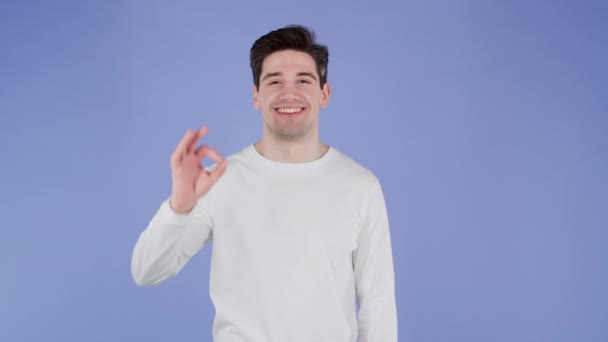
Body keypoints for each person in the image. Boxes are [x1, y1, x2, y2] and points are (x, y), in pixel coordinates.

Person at [131, 25, 398, 342]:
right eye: (274, 81)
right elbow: (146, 271)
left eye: (303, 80)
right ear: (256, 95)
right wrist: (179, 208)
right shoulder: (220, 180)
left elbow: (378, 306)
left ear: (324, 94)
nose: (289, 93)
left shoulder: (360, 186)